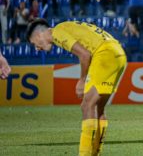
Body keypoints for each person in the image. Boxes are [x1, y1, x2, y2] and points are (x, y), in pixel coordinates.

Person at [26, 19, 127, 155]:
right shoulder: (68, 26)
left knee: (87, 105)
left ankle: (85, 154)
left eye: (34, 44)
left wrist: (82, 80)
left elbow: (85, 55)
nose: (37, 48)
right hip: (118, 53)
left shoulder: (57, 32)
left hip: (104, 53)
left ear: (39, 35)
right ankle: (95, 152)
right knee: (98, 107)